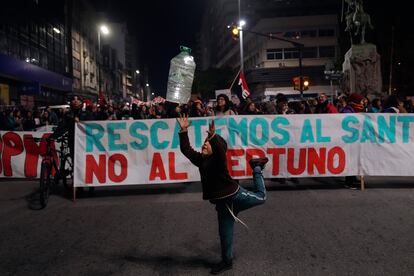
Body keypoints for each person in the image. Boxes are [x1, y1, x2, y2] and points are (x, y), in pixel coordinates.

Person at [177, 114, 269, 274]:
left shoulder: (218, 159)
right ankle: (227, 261)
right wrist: (183, 130)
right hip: (222, 206)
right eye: (203, 144)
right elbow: (186, 149)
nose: (203, 146)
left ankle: (256, 167)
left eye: (207, 144)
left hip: (236, 196)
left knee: (262, 197)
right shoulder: (200, 160)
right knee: (225, 235)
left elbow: (220, 149)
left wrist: (212, 137)